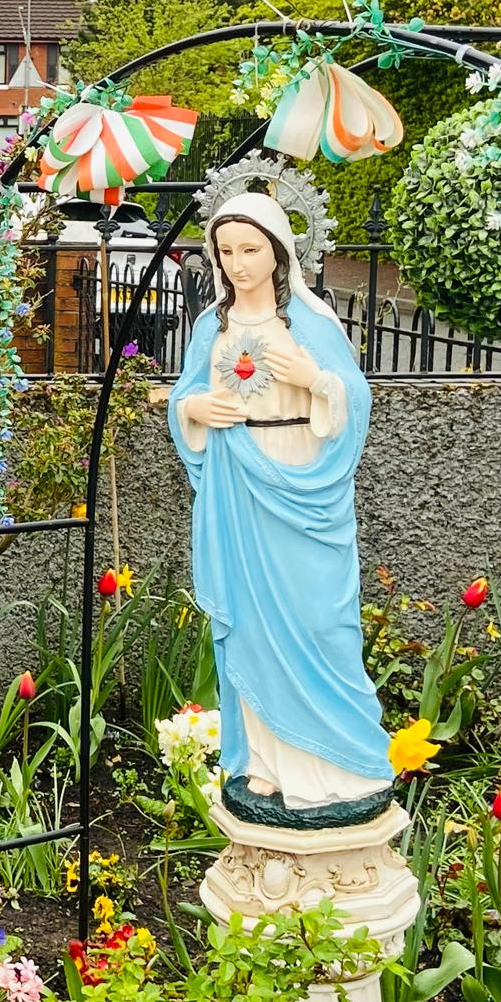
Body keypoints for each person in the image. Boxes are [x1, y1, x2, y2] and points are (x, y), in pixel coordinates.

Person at [168, 191, 393, 827]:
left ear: (277, 253)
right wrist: (193, 409)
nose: (238, 264)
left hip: (305, 483)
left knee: (322, 622)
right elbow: (186, 393)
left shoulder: (309, 325)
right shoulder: (212, 327)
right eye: (226, 251)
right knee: (252, 623)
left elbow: (353, 398)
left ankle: (340, 767)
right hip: (238, 484)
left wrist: (314, 380)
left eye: (251, 250)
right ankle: (268, 761)